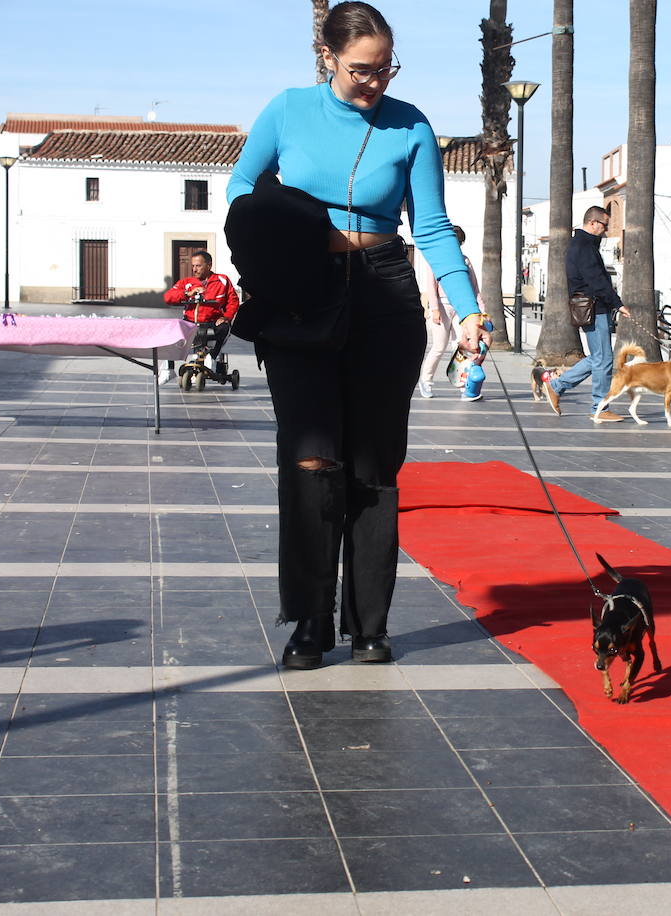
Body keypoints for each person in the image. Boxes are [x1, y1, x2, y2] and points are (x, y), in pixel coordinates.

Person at [226, 1, 490, 668]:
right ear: (328, 57)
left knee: (375, 469)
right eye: (361, 71)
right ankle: (310, 620)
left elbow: (429, 227)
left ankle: (370, 623)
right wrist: (266, 247)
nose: (375, 83)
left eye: (385, 69)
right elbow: (239, 188)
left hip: (384, 293)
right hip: (301, 298)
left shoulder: (412, 127)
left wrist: (468, 311)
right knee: (312, 461)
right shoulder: (287, 109)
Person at [543, 205, 628, 421]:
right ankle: (599, 408)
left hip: (593, 307)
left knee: (599, 358)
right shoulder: (583, 246)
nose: (606, 230)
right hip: (594, 307)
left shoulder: (583, 244)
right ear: (593, 223)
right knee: (603, 359)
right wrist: (617, 303)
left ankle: (556, 386)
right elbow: (596, 280)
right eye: (604, 225)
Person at [415, 224, 485, 399]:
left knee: (462, 347)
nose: (456, 245)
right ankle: (426, 381)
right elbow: (430, 286)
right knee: (439, 347)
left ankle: (464, 385)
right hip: (442, 306)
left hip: (462, 308)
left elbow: (474, 288)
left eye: (459, 242)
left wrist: (480, 311)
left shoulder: (465, 260)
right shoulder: (436, 260)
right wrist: (434, 309)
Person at [161, 250, 239, 383]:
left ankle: (212, 357)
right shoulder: (187, 282)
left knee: (224, 328)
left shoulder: (222, 280)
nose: (194, 269)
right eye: (193, 266)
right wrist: (188, 293)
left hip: (213, 321)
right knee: (171, 331)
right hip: (191, 321)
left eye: (198, 266)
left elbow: (233, 301)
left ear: (209, 265)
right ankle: (168, 369)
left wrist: (226, 317)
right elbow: (168, 297)